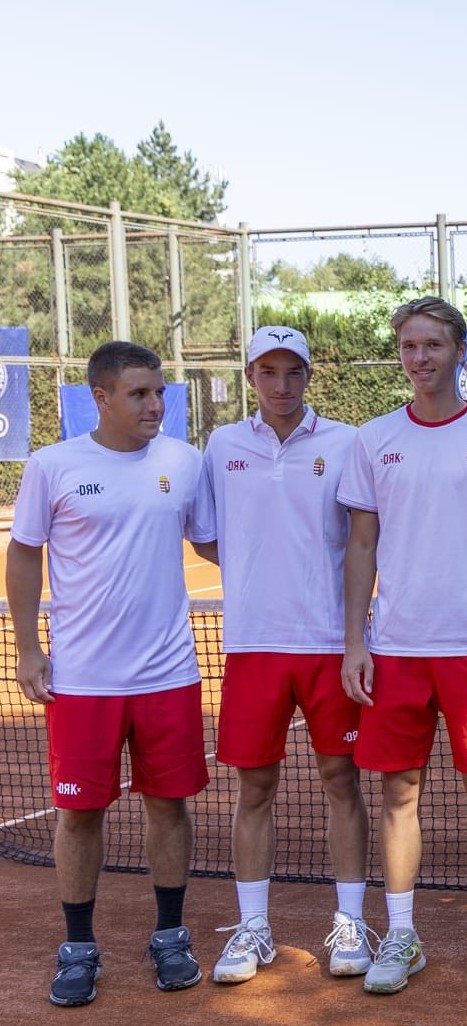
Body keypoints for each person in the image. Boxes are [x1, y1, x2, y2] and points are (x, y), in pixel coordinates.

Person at [337, 297, 467, 995]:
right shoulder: (373, 439)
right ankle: (401, 934)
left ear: (459, 351)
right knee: (398, 791)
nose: (419, 358)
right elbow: (361, 545)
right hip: (395, 648)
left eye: (432, 345)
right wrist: (355, 640)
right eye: (409, 346)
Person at [7, 341, 215, 1006]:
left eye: (159, 392)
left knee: (169, 806)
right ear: (100, 397)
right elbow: (24, 554)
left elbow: (215, 543)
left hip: (168, 674)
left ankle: (171, 936)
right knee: (79, 814)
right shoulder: (54, 465)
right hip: (82, 681)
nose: (155, 405)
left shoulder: (184, 461)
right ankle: (78, 948)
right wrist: (29, 648)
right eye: (139, 394)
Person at [194, 326, 371, 984]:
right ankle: (253, 927)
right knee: (255, 787)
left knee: (341, 780)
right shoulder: (223, 446)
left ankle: (350, 923)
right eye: (267, 372)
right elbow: (208, 537)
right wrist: (255, 571)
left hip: (330, 644)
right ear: (250, 377)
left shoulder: (346, 442)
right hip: (253, 646)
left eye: (292, 371)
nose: (281, 384)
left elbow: (364, 537)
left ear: (309, 376)